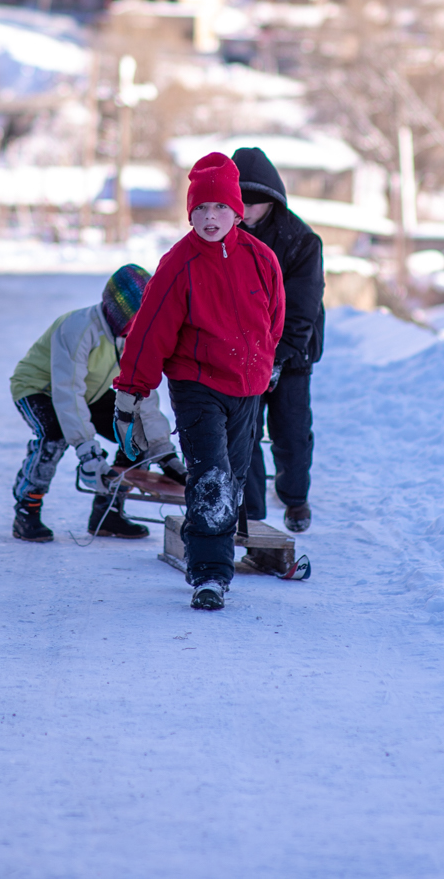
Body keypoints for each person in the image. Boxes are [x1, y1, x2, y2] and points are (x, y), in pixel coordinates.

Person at [113, 152, 284, 611]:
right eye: (201, 210)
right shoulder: (179, 263)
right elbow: (149, 331)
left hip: (246, 387)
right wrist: (132, 389)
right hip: (197, 383)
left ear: (237, 211)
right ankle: (209, 574)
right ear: (190, 213)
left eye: (221, 209)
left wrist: (263, 360)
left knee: (234, 478)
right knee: (210, 476)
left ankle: (212, 553)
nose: (211, 218)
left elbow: (274, 318)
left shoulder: (261, 259)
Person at [7, 265, 178, 542]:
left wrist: (162, 451)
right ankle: (27, 511)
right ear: (119, 311)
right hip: (40, 388)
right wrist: (88, 453)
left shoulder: (135, 335)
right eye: (138, 316)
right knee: (55, 435)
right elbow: (67, 391)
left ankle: (108, 512)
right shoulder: (78, 328)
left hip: (88, 392)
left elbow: (141, 395)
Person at [231, 146, 324, 535]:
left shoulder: (301, 240)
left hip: (293, 351)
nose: (246, 210)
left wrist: (279, 358)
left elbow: (302, 309)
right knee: (244, 431)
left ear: (272, 199)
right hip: (243, 352)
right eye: (240, 201)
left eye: (255, 202)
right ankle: (251, 513)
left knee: (290, 432)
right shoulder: (224, 234)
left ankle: (294, 498)